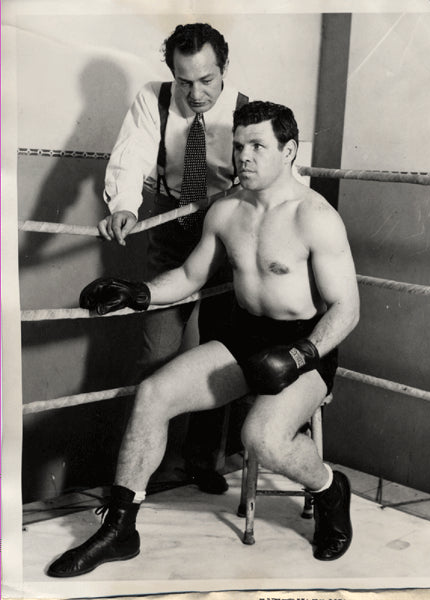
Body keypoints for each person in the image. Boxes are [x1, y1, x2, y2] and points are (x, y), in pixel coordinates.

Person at [47, 101, 360, 578]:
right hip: (243, 336)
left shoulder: (314, 217)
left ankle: (329, 489)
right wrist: (139, 293)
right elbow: (191, 276)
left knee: (260, 437)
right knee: (154, 394)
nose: (244, 158)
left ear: (289, 150)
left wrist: (302, 354)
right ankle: (120, 530)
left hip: (305, 346)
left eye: (258, 146)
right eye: (238, 147)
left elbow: (347, 308)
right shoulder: (227, 209)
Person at [99, 23, 249, 494]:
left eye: (206, 80)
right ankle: (147, 474)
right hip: (169, 231)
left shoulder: (247, 111)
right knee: (157, 353)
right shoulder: (153, 98)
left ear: (223, 69)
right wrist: (124, 204)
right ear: (172, 73)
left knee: (222, 354)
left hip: (226, 234)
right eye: (185, 81)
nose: (196, 92)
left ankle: (205, 462)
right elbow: (133, 154)